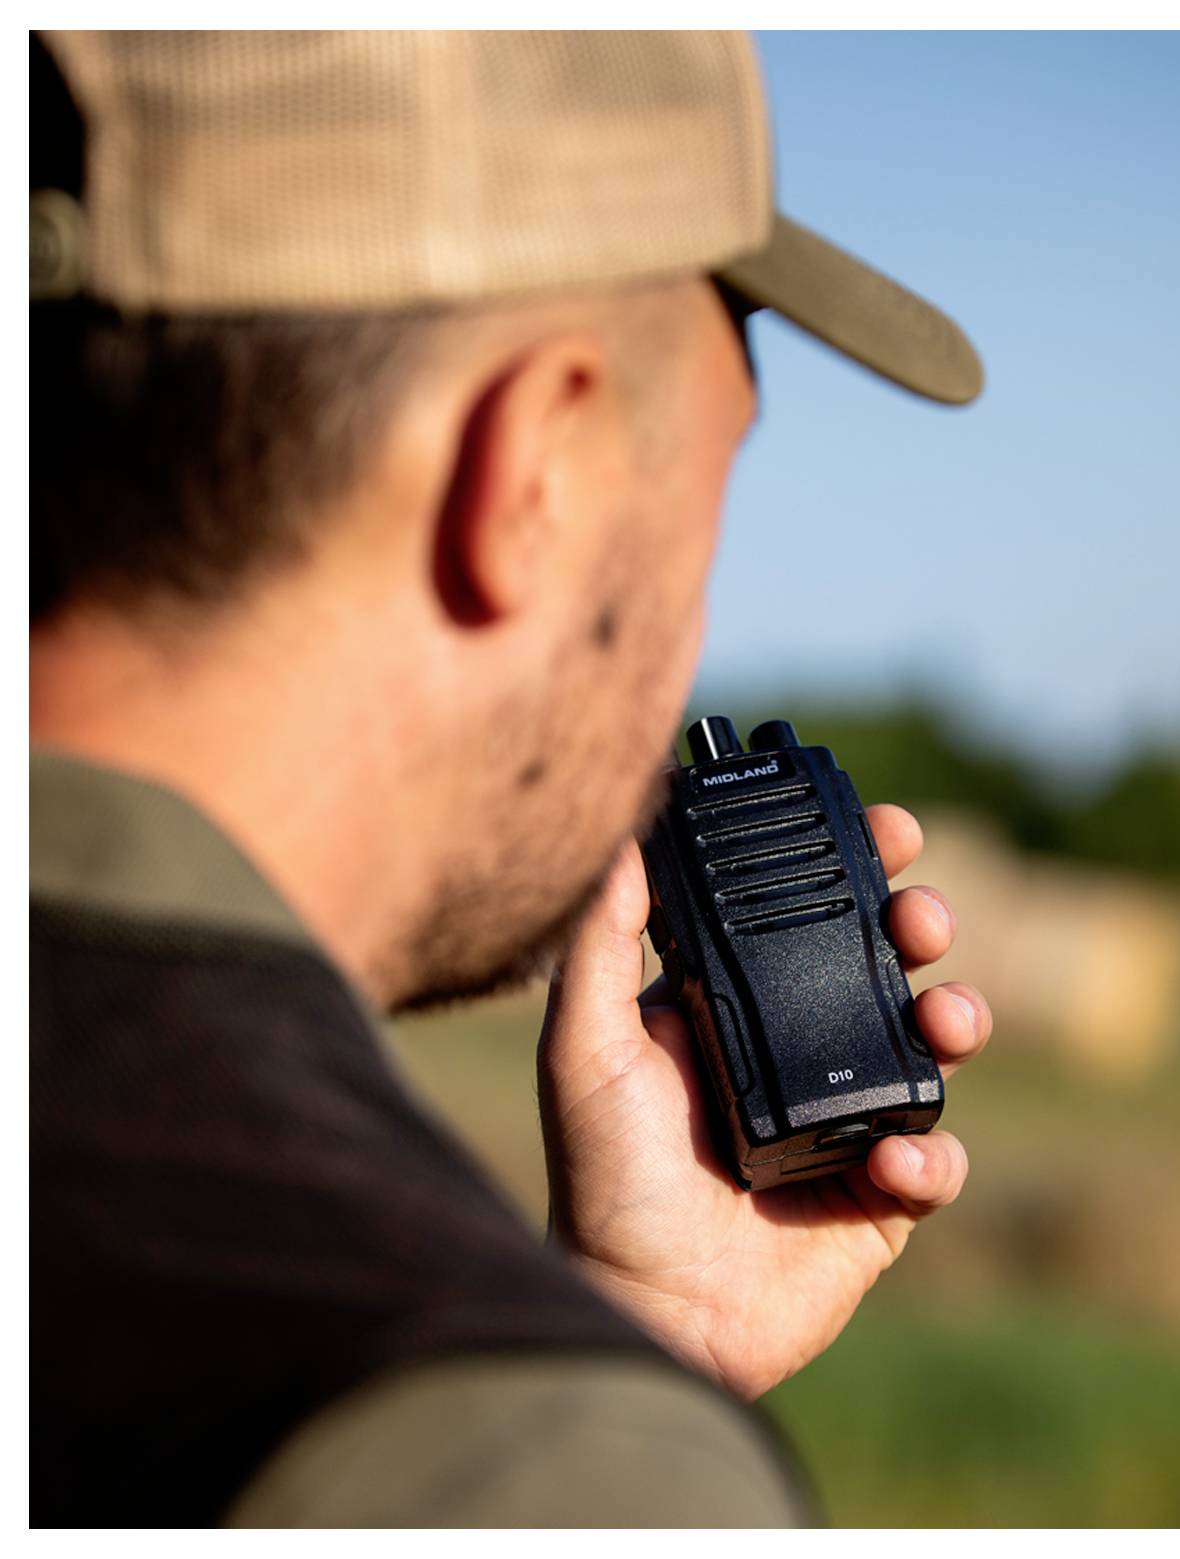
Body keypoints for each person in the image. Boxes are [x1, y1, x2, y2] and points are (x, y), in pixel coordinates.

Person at [30, 30, 992, 1528]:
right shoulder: (479, 1454)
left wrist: (620, 1331)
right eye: (713, 472)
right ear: (534, 469)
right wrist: (570, 1442)